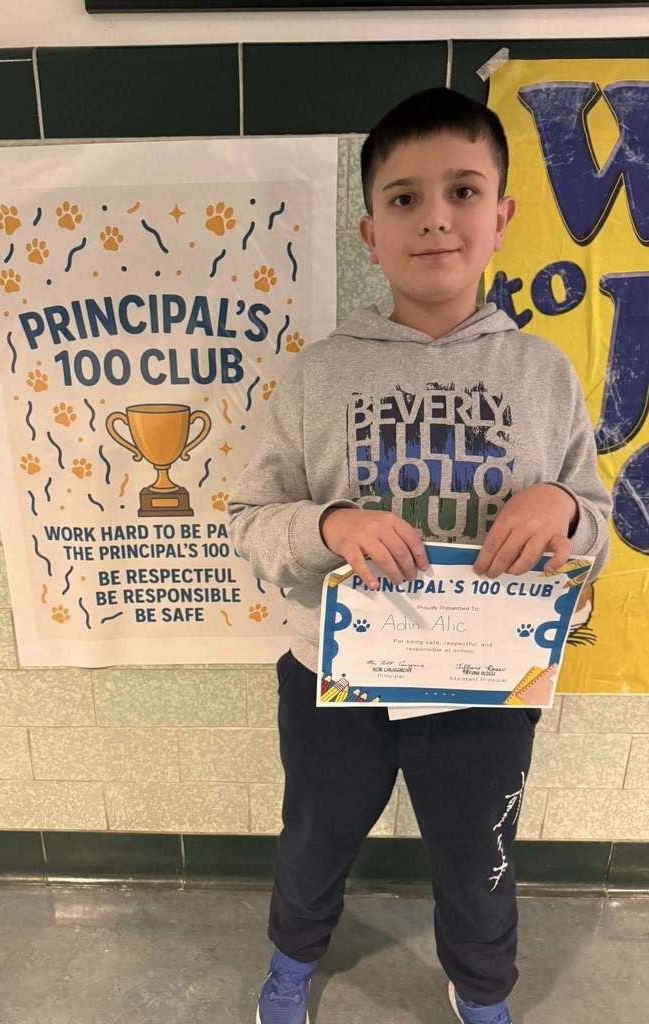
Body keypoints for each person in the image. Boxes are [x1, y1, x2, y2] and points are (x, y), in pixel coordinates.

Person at [228, 85, 613, 1024]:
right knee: (314, 840)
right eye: (403, 198)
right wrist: (330, 527)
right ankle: (292, 960)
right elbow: (248, 519)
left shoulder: (542, 375)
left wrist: (563, 508)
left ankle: (481, 989)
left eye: (463, 192)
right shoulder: (318, 376)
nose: (435, 218)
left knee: (478, 854)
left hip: (485, 685)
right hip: (332, 676)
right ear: (369, 232)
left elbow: (595, 533)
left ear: (501, 215)